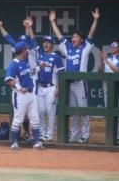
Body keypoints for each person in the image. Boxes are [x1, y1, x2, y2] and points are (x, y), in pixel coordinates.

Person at [49, 8, 100, 144]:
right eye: (73, 37)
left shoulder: (85, 48)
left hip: (80, 83)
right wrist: (53, 21)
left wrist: (95, 19)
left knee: (83, 110)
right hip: (69, 83)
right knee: (73, 112)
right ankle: (76, 134)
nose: (73, 38)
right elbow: (59, 35)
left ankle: (86, 135)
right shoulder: (68, 48)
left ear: (81, 40)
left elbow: (91, 34)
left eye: (76, 37)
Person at [0, 19, 38, 142]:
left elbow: (29, 39)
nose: (20, 44)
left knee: (35, 113)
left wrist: (28, 27)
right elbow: (9, 39)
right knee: (23, 112)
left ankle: (36, 136)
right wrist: (1, 27)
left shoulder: (31, 48)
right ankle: (26, 132)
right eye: (20, 42)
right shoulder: (19, 55)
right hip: (21, 81)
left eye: (22, 42)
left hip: (33, 79)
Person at [25, 17, 65, 142]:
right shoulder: (40, 54)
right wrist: (30, 27)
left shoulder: (56, 57)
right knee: (40, 111)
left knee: (51, 112)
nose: (45, 44)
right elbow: (32, 40)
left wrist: (58, 87)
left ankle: (50, 134)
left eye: (48, 42)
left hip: (51, 87)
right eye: (44, 42)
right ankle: (42, 133)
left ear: (52, 45)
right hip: (40, 87)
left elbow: (60, 74)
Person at [4, 41, 45, 150]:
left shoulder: (25, 62)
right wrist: (20, 88)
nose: (27, 50)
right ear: (23, 50)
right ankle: (14, 143)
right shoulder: (13, 64)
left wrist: (39, 68)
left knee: (34, 118)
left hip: (31, 94)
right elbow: (8, 80)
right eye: (26, 49)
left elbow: (29, 72)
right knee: (18, 119)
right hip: (20, 95)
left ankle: (36, 142)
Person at [97, 40, 119, 144]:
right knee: (109, 114)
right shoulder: (108, 57)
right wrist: (101, 60)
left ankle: (117, 137)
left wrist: (106, 60)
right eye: (111, 45)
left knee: (117, 114)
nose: (112, 47)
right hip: (107, 89)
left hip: (117, 89)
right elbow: (99, 70)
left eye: (115, 45)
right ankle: (109, 137)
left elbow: (117, 70)